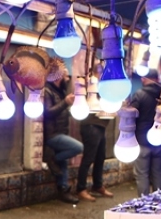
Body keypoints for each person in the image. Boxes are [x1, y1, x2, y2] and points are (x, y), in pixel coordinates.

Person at [125, 69, 161, 196]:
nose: (141, 80)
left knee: (142, 174)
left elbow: (131, 116)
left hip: (142, 141)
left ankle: (143, 204)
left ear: (148, 79)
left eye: (143, 78)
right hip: (159, 140)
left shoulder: (139, 94)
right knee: (157, 173)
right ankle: (158, 202)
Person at [42, 66, 82, 203]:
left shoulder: (60, 91)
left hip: (61, 132)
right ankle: (52, 159)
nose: (68, 78)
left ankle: (63, 190)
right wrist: (65, 103)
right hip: (52, 134)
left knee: (63, 163)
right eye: (65, 76)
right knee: (78, 147)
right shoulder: (47, 91)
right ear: (58, 77)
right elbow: (48, 112)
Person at [74, 110, 113, 201]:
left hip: (100, 126)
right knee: (88, 158)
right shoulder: (97, 95)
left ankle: (97, 186)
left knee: (100, 158)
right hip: (91, 125)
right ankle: (81, 189)